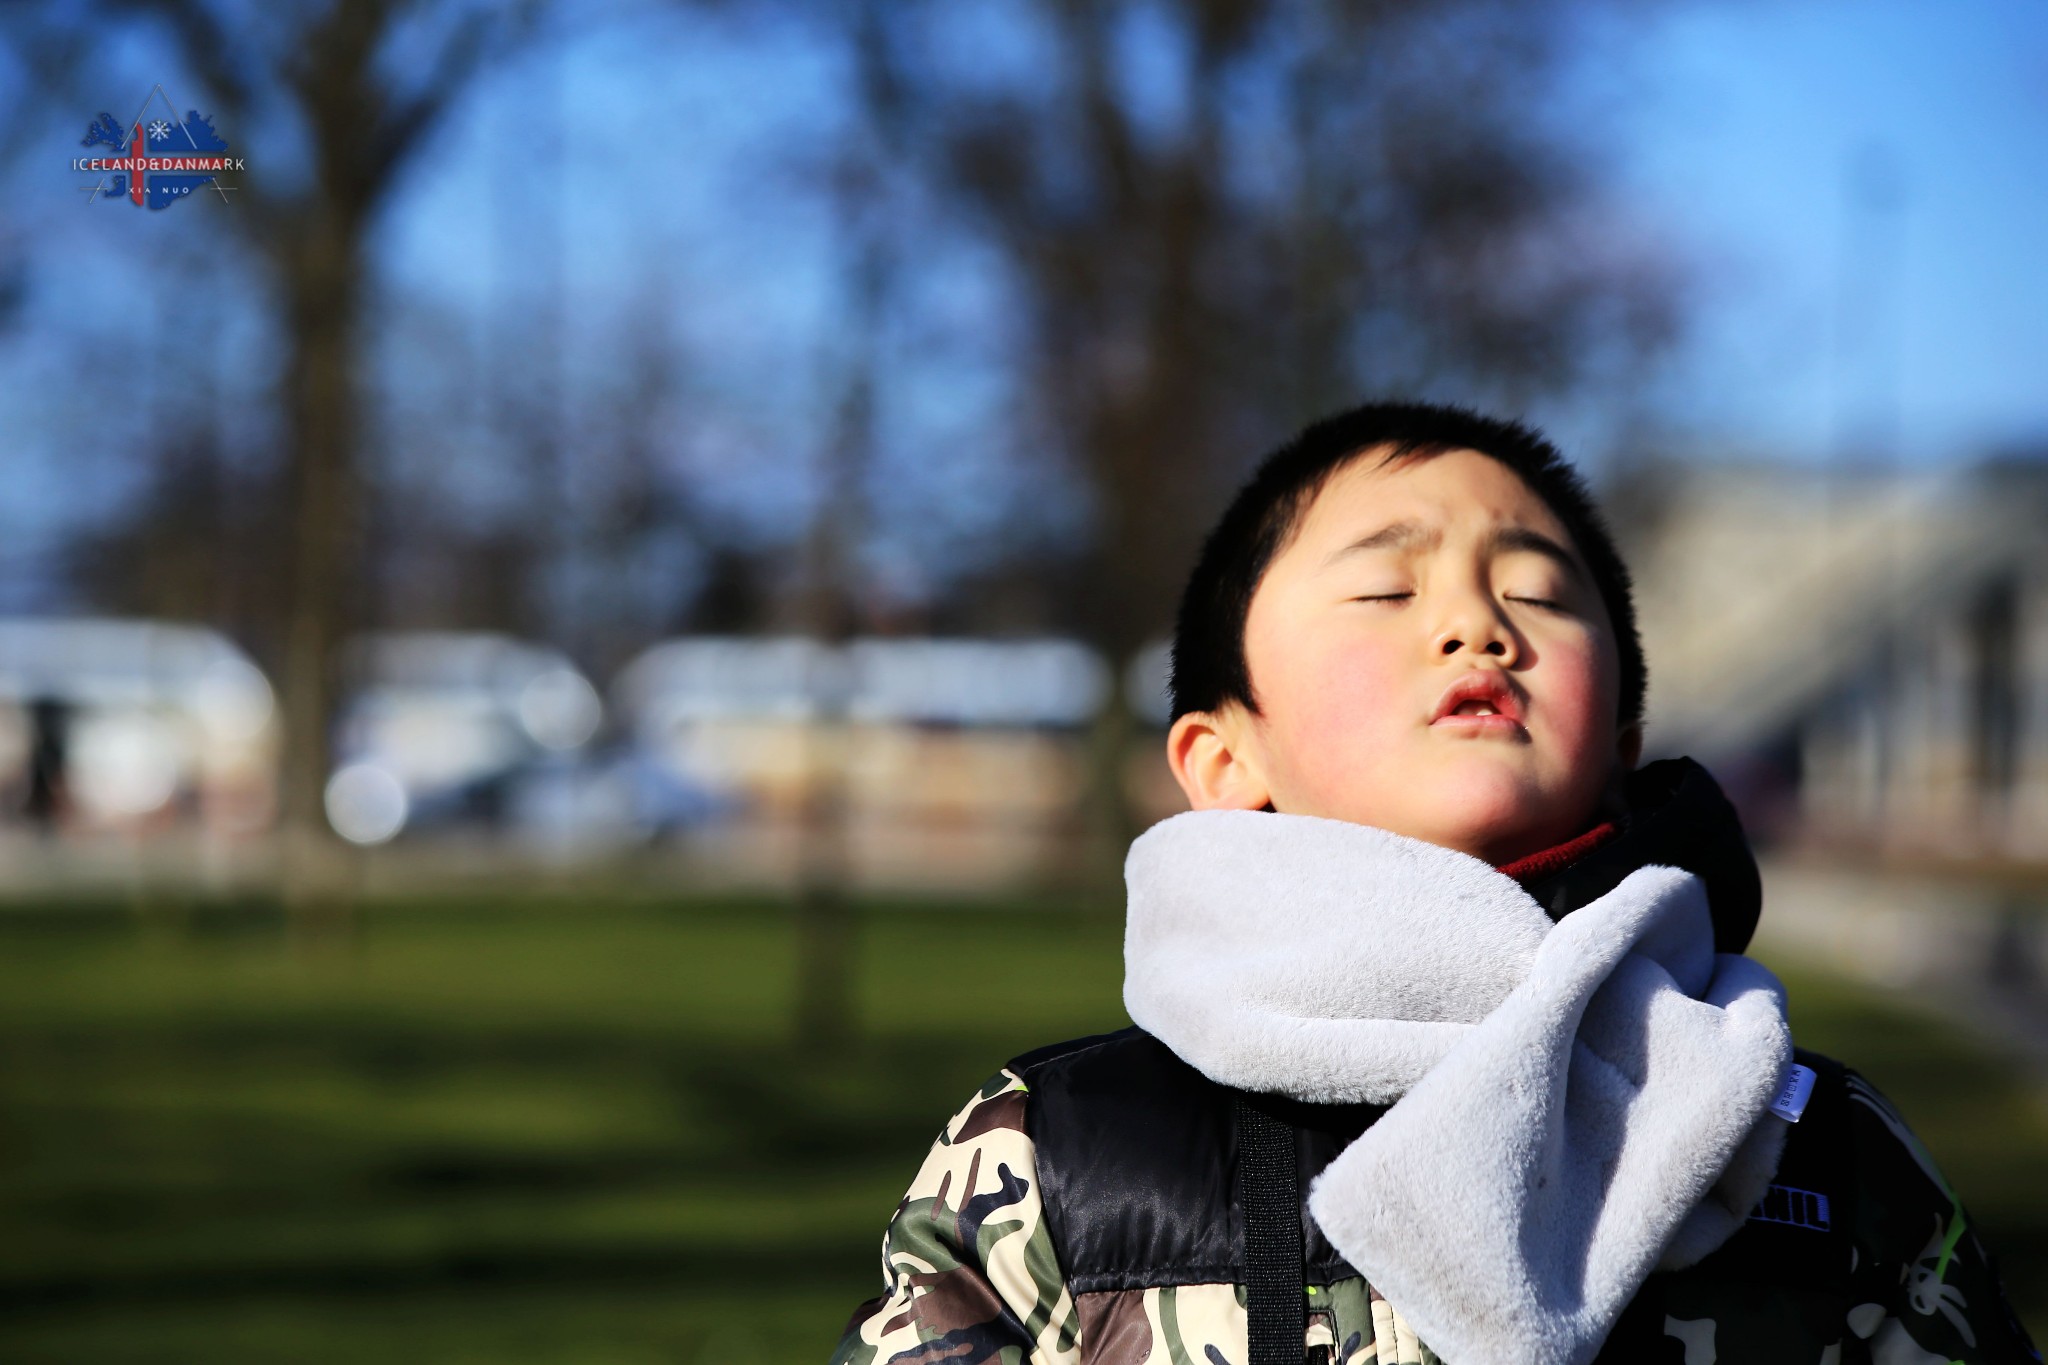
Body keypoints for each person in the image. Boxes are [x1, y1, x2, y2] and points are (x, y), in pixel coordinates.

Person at [829, 403, 2040, 1365]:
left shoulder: (1815, 1154)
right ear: (1223, 758)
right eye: (1385, 588)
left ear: (1620, 737)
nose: (1474, 622)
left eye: (1537, 591)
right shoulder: (1058, 1156)